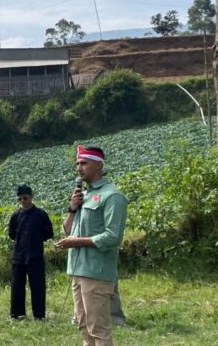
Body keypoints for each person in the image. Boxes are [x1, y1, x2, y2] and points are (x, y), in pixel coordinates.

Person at [56, 146, 128, 346]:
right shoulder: (83, 196)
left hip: (96, 273)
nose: (79, 168)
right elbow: (68, 231)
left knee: (98, 329)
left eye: (84, 163)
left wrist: (77, 242)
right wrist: (72, 208)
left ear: (98, 165)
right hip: (78, 271)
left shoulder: (112, 196)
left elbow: (113, 237)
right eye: (77, 163)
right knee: (84, 325)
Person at [8, 185, 53, 320]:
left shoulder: (41, 214)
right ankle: (17, 313)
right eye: (20, 198)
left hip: (35, 256)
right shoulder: (15, 216)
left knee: (38, 286)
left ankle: (39, 315)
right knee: (17, 286)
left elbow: (49, 233)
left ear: (32, 197)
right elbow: (11, 234)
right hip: (19, 256)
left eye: (26, 197)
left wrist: (36, 239)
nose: (23, 200)